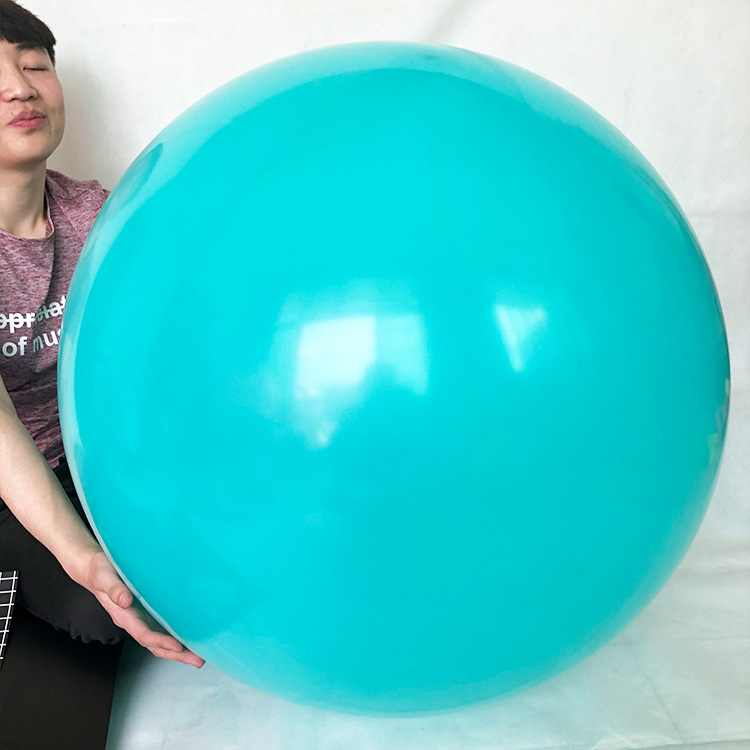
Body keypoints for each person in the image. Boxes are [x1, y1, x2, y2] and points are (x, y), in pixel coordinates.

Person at [0, 0, 204, 668]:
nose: (20, 88)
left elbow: (162, 350)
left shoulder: (95, 211)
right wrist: (80, 555)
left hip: (84, 461)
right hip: (10, 478)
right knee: (103, 610)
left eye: (35, 65)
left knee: (193, 576)